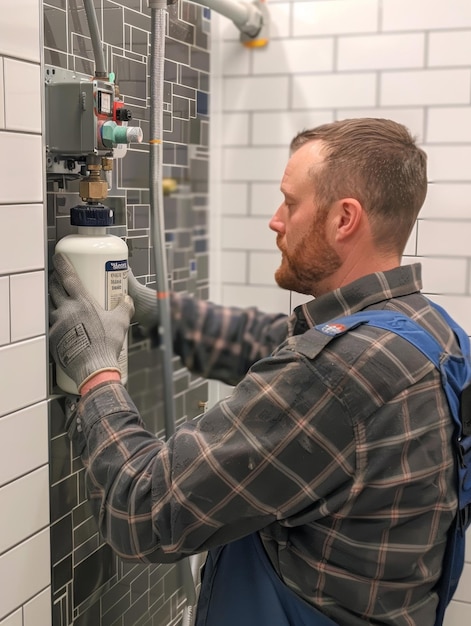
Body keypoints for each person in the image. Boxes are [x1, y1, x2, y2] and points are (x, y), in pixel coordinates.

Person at [49, 118, 464, 626]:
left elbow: (142, 510)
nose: (276, 220)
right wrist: (154, 309)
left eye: (291, 203)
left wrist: (95, 372)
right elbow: (270, 341)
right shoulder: (433, 335)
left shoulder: (338, 374)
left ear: (344, 219)